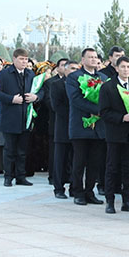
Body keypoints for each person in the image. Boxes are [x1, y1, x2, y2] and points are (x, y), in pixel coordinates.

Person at [98, 55, 129, 214]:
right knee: (112, 167)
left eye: (128, 67)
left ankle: (127, 200)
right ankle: (109, 201)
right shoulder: (108, 87)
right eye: (123, 67)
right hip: (115, 133)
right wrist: (121, 118)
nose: (126, 70)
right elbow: (103, 112)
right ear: (116, 68)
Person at [67, 48, 108, 205]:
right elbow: (75, 99)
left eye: (95, 57)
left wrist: (104, 110)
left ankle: (90, 191)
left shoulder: (103, 78)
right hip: (81, 125)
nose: (93, 59)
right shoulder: (74, 77)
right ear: (82, 60)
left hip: (99, 127)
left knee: (94, 162)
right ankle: (78, 192)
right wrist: (98, 110)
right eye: (89, 57)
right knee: (79, 161)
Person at [0, 48, 39, 187]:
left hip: (25, 118)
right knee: (9, 150)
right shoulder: (4, 74)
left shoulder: (31, 74)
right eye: (21, 59)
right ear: (14, 59)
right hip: (9, 118)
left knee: (22, 151)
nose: (24, 62)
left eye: (26, 59)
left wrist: (36, 97)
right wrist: (11, 99)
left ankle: (21, 176)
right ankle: (8, 177)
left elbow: (40, 89)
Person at [47, 59, 74, 197]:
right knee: (60, 160)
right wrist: (74, 113)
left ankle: (75, 188)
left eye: (76, 69)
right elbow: (56, 106)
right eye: (71, 68)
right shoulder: (56, 84)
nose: (74, 71)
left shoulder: (81, 85)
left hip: (77, 128)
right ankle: (58, 188)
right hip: (62, 127)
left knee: (75, 160)